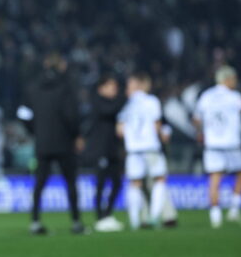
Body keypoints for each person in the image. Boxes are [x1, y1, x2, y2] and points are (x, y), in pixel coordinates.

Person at [18, 53, 84, 235]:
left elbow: (23, 113)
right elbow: (71, 115)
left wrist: (35, 130)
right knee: (70, 182)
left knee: (39, 183)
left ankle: (35, 221)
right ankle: (76, 221)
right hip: (64, 142)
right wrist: (76, 135)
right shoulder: (66, 86)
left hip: (43, 142)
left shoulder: (33, 87)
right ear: (60, 66)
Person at [116, 72, 173, 230]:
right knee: (160, 179)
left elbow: (119, 130)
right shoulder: (151, 101)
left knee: (135, 183)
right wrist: (162, 136)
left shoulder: (126, 104)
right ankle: (155, 216)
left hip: (133, 150)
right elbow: (157, 125)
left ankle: (134, 221)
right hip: (150, 147)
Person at [192, 65, 241, 228]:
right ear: (227, 80)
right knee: (240, 173)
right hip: (231, 143)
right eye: (233, 79)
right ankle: (234, 209)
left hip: (212, 144)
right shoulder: (235, 97)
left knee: (214, 178)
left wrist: (201, 132)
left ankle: (215, 216)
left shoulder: (206, 96)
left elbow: (197, 119)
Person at [83, 75, 126, 232]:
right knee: (100, 184)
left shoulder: (113, 103)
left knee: (117, 183)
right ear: (101, 88)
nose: (115, 89)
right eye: (111, 86)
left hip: (112, 149)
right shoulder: (97, 101)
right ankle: (100, 217)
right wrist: (124, 97)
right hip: (100, 149)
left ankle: (107, 215)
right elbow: (110, 110)